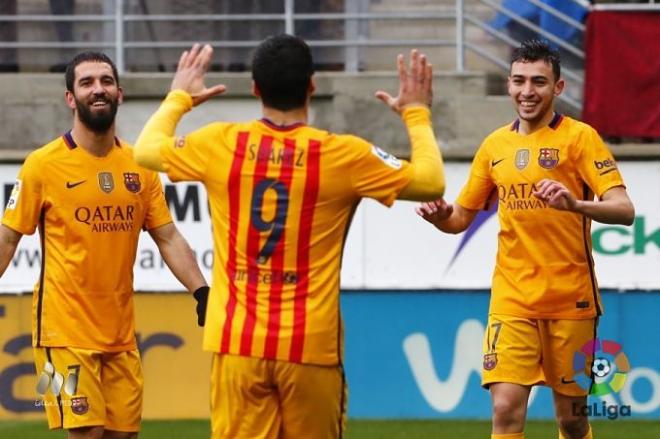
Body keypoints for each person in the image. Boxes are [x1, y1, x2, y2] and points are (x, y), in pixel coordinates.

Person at [133, 35, 445, 438]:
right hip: (310, 346)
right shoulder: (343, 155)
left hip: (237, 343)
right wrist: (416, 113)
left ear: (255, 89)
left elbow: (145, 149)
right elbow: (431, 181)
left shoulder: (219, 143)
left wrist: (179, 97)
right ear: (312, 86)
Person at [416, 39, 634, 439]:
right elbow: (462, 217)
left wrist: (575, 205)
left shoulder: (580, 138)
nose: (527, 91)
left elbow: (624, 210)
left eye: (539, 81)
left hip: (572, 301)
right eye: (519, 81)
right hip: (512, 299)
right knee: (504, 410)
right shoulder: (495, 146)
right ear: (508, 84)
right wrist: (442, 217)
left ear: (559, 88)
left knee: (571, 419)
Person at [0, 51, 209, 439]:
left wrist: (201, 291)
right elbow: (8, 239)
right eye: (87, 82)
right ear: (70, 98)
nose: (98, 89)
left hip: (120, 335)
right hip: (59, 334)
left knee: (123, 435)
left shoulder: (140, 165)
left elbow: (167, 236)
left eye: (106, 81)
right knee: (86, 433)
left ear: (120, 93)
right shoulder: (41, 165)